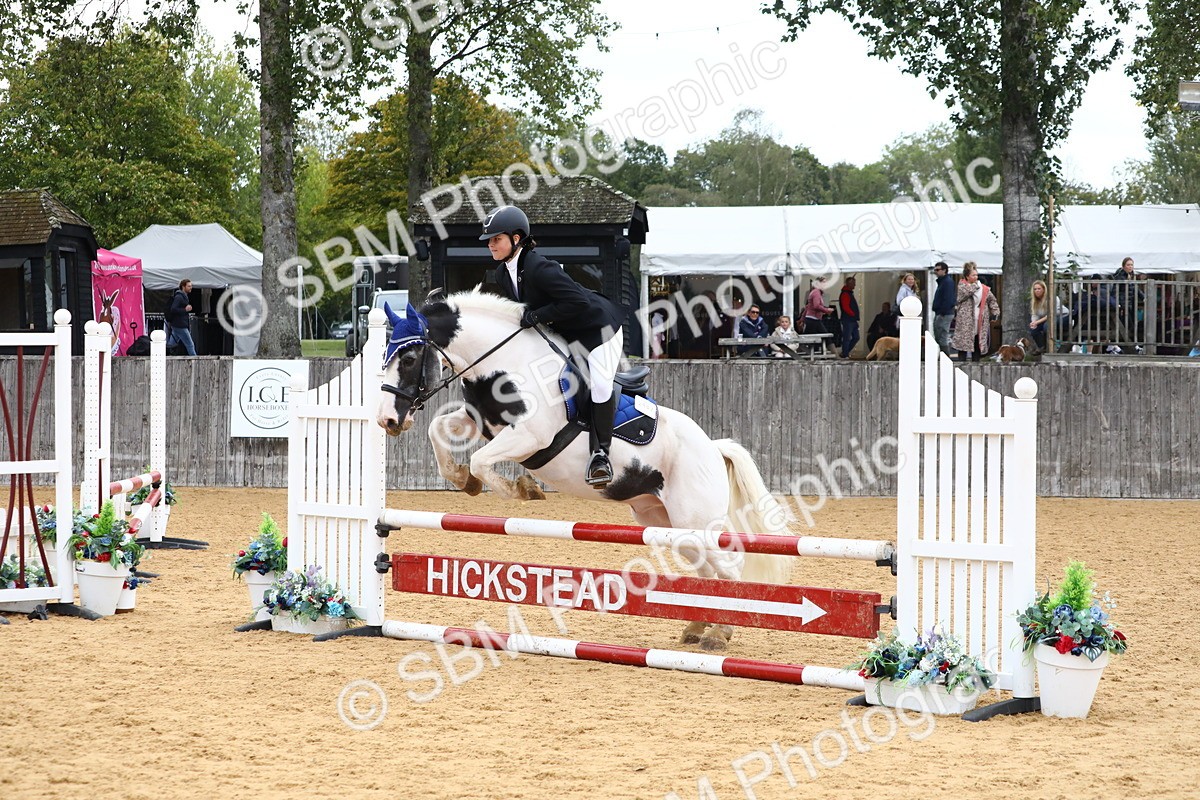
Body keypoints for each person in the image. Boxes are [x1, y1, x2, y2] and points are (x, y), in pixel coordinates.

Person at [483, 205, 625, 487]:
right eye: (489, 240)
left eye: (496, 239)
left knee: (599, 384)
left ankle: (600, 455)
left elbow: (577, 302)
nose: (490, 245)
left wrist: (536, 316)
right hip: (566, 331)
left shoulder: (540, 267)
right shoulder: (502, 274)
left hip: (599, 329)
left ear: (516, 238)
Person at [950, 262, 999, 361]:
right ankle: (961, 364)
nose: (976, 277)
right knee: (963, 342)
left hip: (980, 319)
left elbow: (991, 299)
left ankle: (976, 362)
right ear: (967, 276)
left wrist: (995, 311)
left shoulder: (983, 288)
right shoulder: (962, 286)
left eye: (977, 275)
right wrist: (976, 286)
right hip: (966, 320)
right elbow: (964, 295)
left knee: (977, 341)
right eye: (973, 275)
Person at [1029, 279, 1070, 351]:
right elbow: (1035, 314)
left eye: (1039, 288)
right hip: (1048, 319)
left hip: (1062, 316)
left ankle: (1051, 346)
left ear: (1044, 289)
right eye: (1035, 289)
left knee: (1046, 326)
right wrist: (1033, 322)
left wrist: (1037, 322)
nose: (1037, 291)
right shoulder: (1035, 301)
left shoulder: (1052, 298)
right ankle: (1042, 347)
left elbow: (1051, 314)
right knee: (1033, 330)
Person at [165, 279, 197, 356]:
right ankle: (195, 360)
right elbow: (173, 309)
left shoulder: (182, 296)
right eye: (189, 286)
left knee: (172, 344)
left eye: (191, 286)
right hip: (180, 324)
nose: (191, 288)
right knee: (190, 344)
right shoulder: (179, 297)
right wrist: (185, 309)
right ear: (183, 287)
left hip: (178, 324)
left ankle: (167, 357)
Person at [803, 281, 835, 354]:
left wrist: (802, 319)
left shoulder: (816, 292)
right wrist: (826, 310)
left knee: (814, 337)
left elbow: (808, 307)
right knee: (823, 336)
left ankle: (832, 354)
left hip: (813, 318)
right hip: (813, 319)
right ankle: (834, 354)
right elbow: (816, 306)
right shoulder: (816, 292)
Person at [931, 261, 955, 353]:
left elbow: (948, 299)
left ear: (944, 270)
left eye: (938, 270)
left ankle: (945, 357)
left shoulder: (947, 282)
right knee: (939, 335)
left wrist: (942, 312)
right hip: (942, 313)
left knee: (942, 336)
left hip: (944, 313)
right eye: (935, 270)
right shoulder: (943, 282)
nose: (936, 272)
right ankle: (943, 356)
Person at [838, 277, 860, 358]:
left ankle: (845, 352)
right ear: (849, 283)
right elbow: (845, 307)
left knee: (856, 337)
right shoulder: (845, 294)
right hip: (848, 319)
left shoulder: (849, 293)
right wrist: (853, 314)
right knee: (847, 338)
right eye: (853, 283)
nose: (855, 285)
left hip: (852, 319)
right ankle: (845, 354)